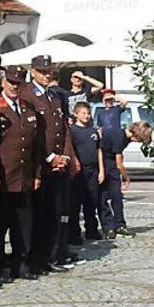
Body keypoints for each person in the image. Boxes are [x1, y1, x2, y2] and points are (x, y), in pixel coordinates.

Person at [0, 67, 41, 282]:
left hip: (24, 178)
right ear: (3, 83)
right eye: (10, 82)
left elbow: (35, 147)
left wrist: (36, 174)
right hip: (3, 178)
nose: (14, 87)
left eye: (18, 83)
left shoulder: (28, 109)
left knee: (23, 226)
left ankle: (21, 264)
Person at [22, 55, 76, 273]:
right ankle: (34, 260)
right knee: (37, 217)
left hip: (58, 165)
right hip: (40, 166)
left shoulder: (53, 95)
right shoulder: (27, 95)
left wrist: (65, 156)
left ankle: (49, 257)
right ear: (32, 71)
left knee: (53, 214)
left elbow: (63, 129)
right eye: (42, 72)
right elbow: (32, 134)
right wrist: (49, 157)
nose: (47, 75)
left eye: (49, 72)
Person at [100, 121, 152, 238]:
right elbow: (119, 164)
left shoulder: (125, 136)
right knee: (103, 197)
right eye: (139, 140)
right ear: (137, 136)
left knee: (117, 196)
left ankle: (119, 226)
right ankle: (108, 227)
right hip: (104, 164)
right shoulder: (120, 136)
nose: (137, 142)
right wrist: (126, 178)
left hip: (111, 163)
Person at [68, 102, 107, 240]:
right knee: (75, 203)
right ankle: (74, 233)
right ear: (76, 114)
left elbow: (99, 150)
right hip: (79, 171)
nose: (86, 116)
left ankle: (92, 230)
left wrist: (101, 170)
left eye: (88, 113)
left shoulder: (93, 131)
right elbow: (70, 149)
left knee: (91, 202)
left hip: (93, 171)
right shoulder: (72, 131)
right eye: (83, 113)